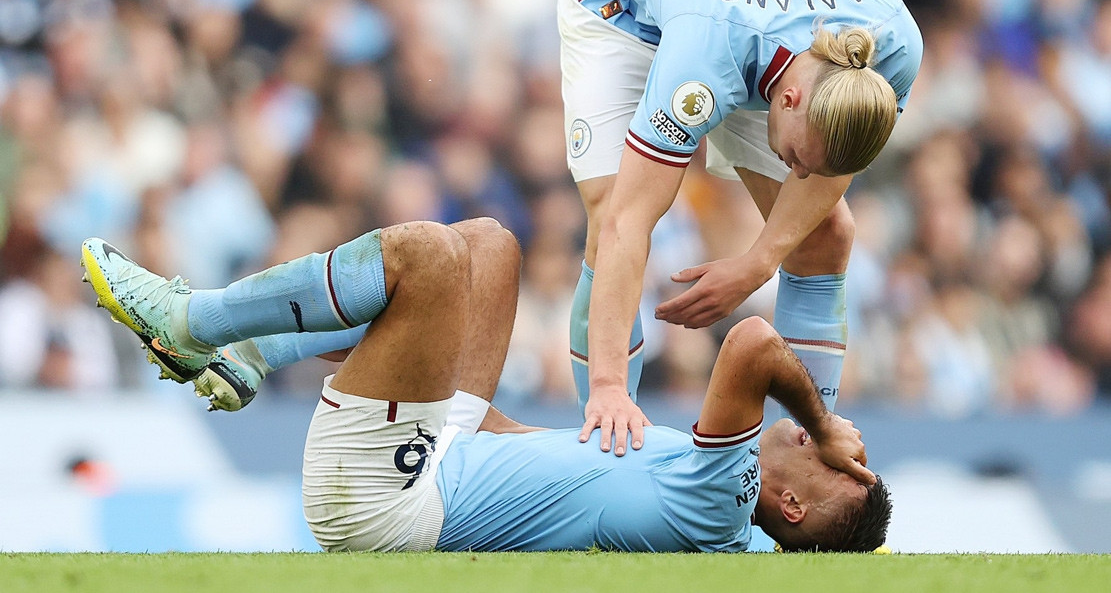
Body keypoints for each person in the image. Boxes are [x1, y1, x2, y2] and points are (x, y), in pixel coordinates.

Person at [79, 217, 890, 553]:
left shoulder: (723, 496)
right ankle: (248, 355)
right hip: (446, 450)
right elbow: (532, 462)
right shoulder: (727, 512)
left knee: (427, 259)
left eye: (838, 466)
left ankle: (199, 323)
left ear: (791, 506)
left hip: (387, 499)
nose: (835, 442)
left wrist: (818, 423)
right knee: (490, 246)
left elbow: (751, 343)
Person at [558, 0, 923, 454]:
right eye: (800, 158)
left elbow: (829, 170)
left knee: (825, 234)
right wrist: (607, 384)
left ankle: (810, 446)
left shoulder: (892, 49)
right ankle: (606, 430)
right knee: (612, 206)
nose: (799, 173)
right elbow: (627, 225)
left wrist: (759, 263)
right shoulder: (706, 57)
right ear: (792, 98)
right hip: (621, 2)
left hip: (738, 10)